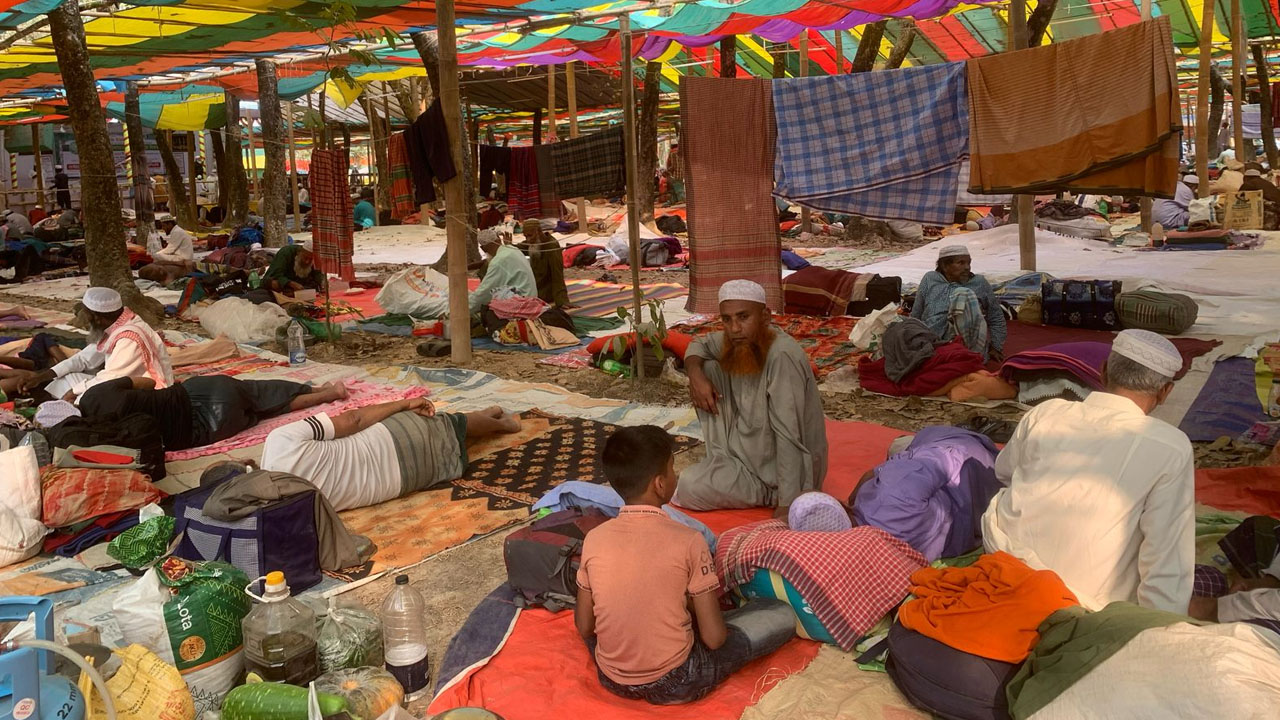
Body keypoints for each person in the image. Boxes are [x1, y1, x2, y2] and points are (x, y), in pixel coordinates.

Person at [575, 425, 795, 705]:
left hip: (612, 678)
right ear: (659, 484)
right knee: (779, 614)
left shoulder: (594, 539)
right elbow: (714, 639)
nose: (675, 475)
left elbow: (584, 628)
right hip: (679, 679)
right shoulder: (689, 541)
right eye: (672, 469)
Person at [982, 329, 1194, 614]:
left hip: (1003, 568)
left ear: (1103, 372)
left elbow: (1004, 473)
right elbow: (1167, 561)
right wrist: (1158, 630)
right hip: (1080, 602)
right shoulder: (1172, 446)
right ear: (1165, 392)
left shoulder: (1046, 412)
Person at [674, 280, 828, 515]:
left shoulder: (782, 356)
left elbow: (789, 435)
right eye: (727, 319)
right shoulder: (735, 339)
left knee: (688, 487)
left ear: (765, 317)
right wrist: (695, 376)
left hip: (783, 476)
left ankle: (771, 493)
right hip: (746, 459)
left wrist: (787, 504)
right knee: (707, 368)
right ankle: (725, 460)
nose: (735, 328)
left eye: (743, 317)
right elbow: (698, 344)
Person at [259, 397, 521, 512]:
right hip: (396, 442)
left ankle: (488, 413)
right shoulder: (279, 441)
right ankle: (502, 424)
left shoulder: (277, 507)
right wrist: (404, 403)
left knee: (445, 440)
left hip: (404, 482)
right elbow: (354, 419)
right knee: (444, 424)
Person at [80, 376, 347, 452]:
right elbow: (149, 383)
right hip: (202, 394)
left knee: (264, 411)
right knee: (261, 391)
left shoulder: (92, 441)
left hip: (204, 432)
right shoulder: (94, 393)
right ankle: (322, 391)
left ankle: (325, 394)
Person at [15, 287, 173, 402]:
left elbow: (111, 379)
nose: (86, 322)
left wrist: (74, 392)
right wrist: (40, 377)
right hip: (118, 384)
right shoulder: (116, 323)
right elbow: (82, 360)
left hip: (149, 395)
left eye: (87, 316)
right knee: (64, 378)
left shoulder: (129, 337)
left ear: (97, 318)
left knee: (85, 397)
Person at [910, 245, 1006, 363]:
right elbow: (916, 314)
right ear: (945, 266)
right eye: (961, 263)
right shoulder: (930, 279)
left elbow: (995, 316)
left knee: (962, 294)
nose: (967, 267)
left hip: (967, 343)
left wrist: (996, 347)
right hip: (932, 341)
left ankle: (963, 353)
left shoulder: (979, 283)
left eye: (968, 263)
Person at [469, 231, 536, 314]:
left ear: (483, 249)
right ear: (499, 240)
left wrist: (464, 308)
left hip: (523, 304)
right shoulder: (513, 250)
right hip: (531, 298)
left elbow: (485, 293)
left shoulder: (499, 261)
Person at [521, 218, 568, 308]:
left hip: (546, 290)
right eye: (525, 236)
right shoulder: (532, 242)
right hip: (535, 285)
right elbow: (519, 248)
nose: (528, 239)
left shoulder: (551, 245)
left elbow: (557, 274)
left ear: (538, 231)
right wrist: (508, 245)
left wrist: (562, 300)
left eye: (530, 235)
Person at [261, 239, 326, 296]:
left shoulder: (315, 259)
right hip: (285, 284)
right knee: (274, 284)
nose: (307, 261)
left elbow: (318, 275)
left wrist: (322, 283)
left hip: (302, 285)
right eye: (305, 258)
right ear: (299, 252)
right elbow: (276, 275)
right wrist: (290, 283)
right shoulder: (285, 253)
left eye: (310, 259)